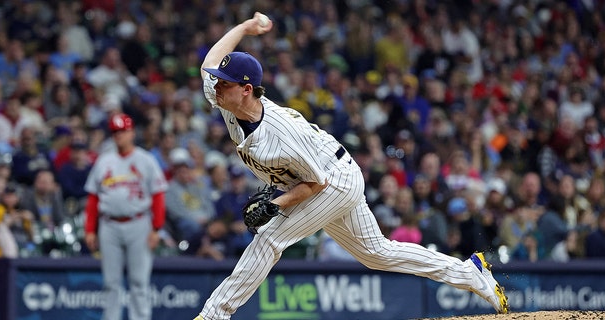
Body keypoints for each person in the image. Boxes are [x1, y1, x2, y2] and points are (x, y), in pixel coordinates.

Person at [193, 13, 509, 320]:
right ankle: (470, 273)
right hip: (323, 172)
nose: (216, 87)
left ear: (247, 90)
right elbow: (211, 60)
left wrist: (275, 206)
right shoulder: (227, 99)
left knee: (269, 238)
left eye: (225, 83)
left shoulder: (280, 134)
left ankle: (213, 315)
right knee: (377, 254)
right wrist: (246, 27)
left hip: (333, 179)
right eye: (219, 82)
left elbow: (317, 184)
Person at [83, 113, 168, 320]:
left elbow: (158, 196)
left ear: (132, 132)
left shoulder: (145, 160)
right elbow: (93, 198)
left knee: (139, 281)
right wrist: (89, 229)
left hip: (138, 223)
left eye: (122, 131)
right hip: (109, 225)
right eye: (115, 132)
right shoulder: (104, 161)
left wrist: (157, 228)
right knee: (111, 282)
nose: (119, 135)